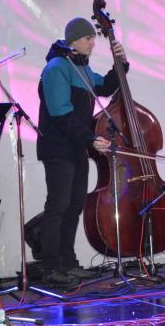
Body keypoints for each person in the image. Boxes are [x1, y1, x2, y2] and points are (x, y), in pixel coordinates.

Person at [36, 17, 125, 287]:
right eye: (88, 38)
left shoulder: (81, 68)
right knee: (58, 205)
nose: (93, 42)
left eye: (93, 38)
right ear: (73, 40)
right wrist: (91, 138)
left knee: (74, 205)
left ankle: (68, 262)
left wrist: (120, 63)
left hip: (76, 148)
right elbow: (60, 113)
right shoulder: (56, 68)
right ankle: (51, 266)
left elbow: (106, 86)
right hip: (58, 148)